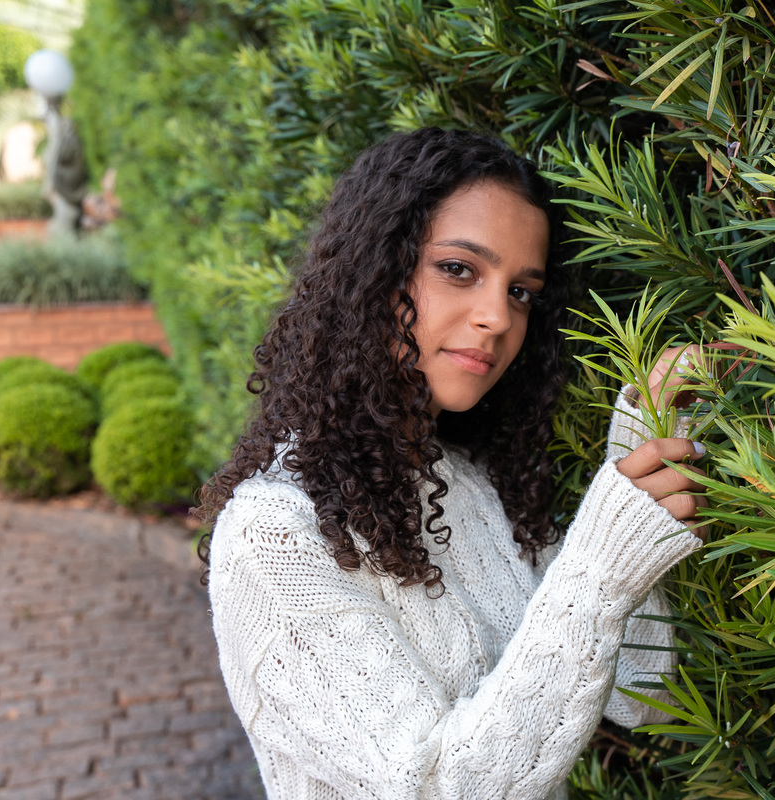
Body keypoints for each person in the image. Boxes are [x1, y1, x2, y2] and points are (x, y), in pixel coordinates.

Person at [200, 127, 709, 800]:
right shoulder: (273, 535)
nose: (497, 316)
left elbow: (643, 697)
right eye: (459, 270)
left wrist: (632, 457)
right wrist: (600, 565)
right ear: (375, 271)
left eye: (521, 291)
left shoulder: (467, 484)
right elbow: (439, 787)